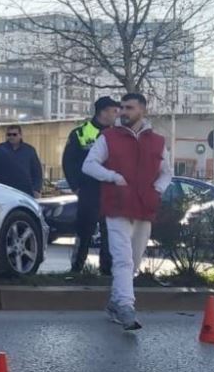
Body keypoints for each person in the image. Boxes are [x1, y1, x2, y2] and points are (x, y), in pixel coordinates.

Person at [83, 93, 172, 331]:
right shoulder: (108, 137)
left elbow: (167, 172)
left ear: (143, 110)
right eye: (121, 108)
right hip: (117, 206)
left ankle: (115, 303)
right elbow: (89, 165)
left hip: (145, 207)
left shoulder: (158, 142)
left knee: (133, 262)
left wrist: (157, 190)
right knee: (122, 259)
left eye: (129, 108)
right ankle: (126, 307)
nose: (123, 112)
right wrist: (113, 177)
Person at [62, 96, 121, 275]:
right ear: (103, 112)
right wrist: (75, 187)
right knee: (84, 230)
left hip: (110, 190)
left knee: (109, 231)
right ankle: (76, 269)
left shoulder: (117, 134)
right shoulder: (80, 133)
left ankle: (106, 270)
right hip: (88, 190)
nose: (116, 115)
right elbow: (68, 162)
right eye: (114, 111)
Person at [0, 125, 43, 197]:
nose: (11, 137)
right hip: (5, 190)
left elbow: (37, 172)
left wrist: (37, 189)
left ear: (20, 135)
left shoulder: (29, 150)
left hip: (25, 191)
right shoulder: (0, 149)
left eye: (14, 134)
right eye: (9, 134)